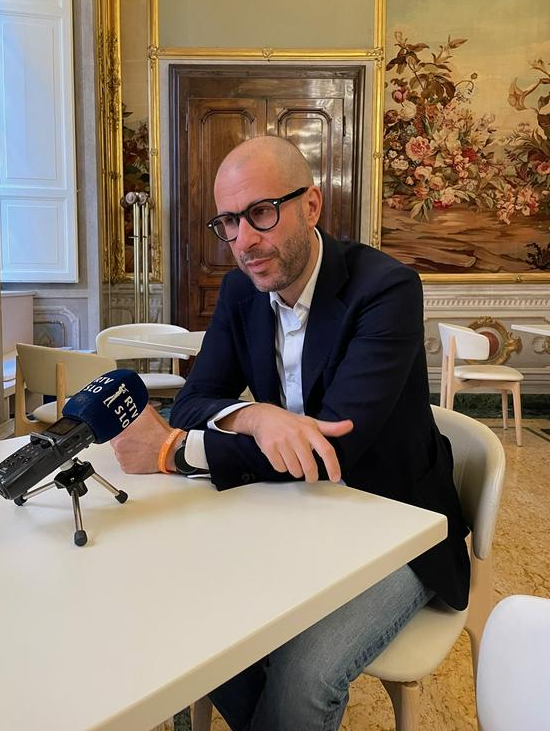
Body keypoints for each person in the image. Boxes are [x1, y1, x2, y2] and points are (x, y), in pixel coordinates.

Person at [111, 135, 470, 731]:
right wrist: (255, 416)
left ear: (311, 206)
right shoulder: (241, 291)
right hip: (293, 512)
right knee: (190, 616)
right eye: (228, 222)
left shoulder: (386, 289)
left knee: (304, 677)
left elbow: (329, 449)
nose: (243, 241)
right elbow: (195, 399)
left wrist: (175, 452)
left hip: (398, 521)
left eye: (260, 212)